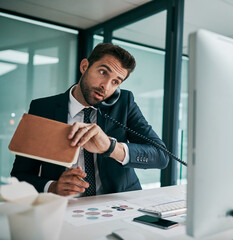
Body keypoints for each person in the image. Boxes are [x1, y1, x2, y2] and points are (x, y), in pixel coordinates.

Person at [11, 43, 169, 196]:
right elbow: (20, 176)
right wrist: (52, 187)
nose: (106, 87)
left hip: (117, 203)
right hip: (66, 206)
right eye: (102, 72)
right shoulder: (43, 108)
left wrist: (110, 147)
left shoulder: (124, 103)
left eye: (116, 82)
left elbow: (161, 156)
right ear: (84, 66)